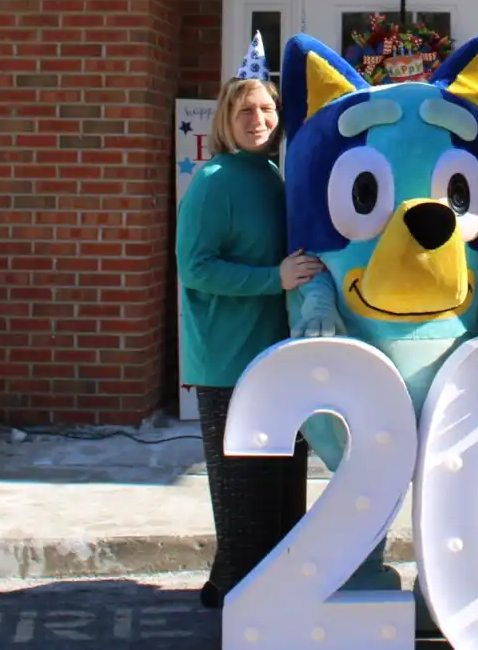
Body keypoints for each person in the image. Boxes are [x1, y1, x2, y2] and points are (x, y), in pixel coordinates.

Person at [176, 36, 324, 609]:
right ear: (225, 118)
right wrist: (274, 279)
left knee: (281, 491)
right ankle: (238, 598)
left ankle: (250, 590)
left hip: (275, 355)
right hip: (228, 360)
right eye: (245, 110)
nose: (257, 119)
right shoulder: (214, 181)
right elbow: (196, 268)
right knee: (242, 496)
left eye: (266, 109)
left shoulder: (274, 176)